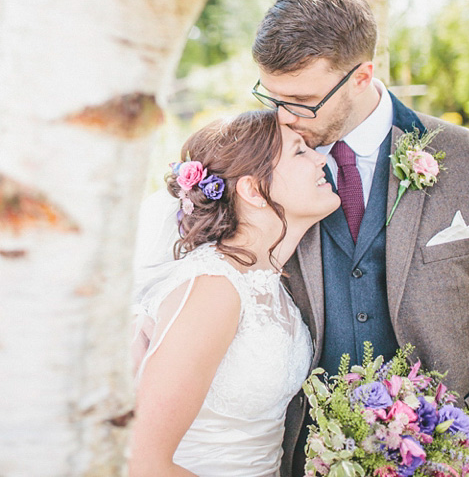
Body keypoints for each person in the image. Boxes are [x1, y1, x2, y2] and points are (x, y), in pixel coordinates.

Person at [249, 0, 469, 476]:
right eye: (272, 96)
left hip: (450, 454)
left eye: (303, 101)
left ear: (361, 76)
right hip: (301, 458)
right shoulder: (256, 161)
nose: (284, 117)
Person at [128, 110, 340, 476]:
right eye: (300, 152)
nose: (322, 157)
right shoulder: (214, 288)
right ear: (253, 190)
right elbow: (141, 463)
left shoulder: (269, 283)